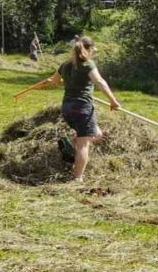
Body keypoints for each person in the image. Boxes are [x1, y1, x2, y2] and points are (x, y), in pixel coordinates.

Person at [39, 35, 121, 182]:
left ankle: (70, 146)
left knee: (97, 135)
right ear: (88, 49)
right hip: (82, 108)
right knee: (84, 144)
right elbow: (100, 81)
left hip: (67, 108)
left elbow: (55, 81)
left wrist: (52, 81)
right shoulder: (88, 64)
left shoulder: (65, 65)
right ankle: (78, 179)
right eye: (93, 50)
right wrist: (113, 101)